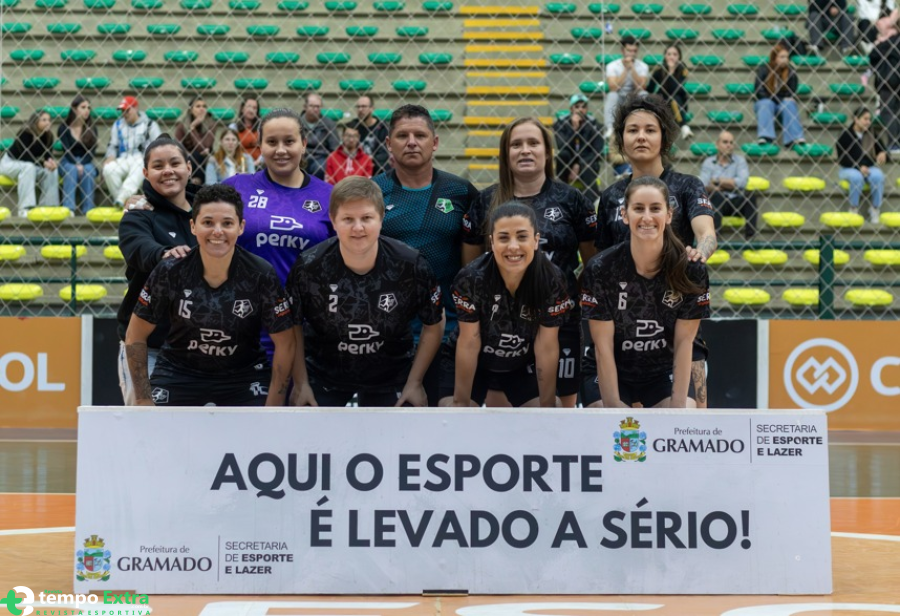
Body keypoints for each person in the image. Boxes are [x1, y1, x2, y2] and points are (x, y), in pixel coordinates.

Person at [591, 93, 716, 408]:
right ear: (621, 139)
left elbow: (707, 234)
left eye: (650, 129)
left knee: (691, 419)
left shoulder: (687, 186)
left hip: (674, 322)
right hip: (621, 329)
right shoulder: (610, 197)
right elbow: (599, 260)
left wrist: (700, 252)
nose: (641, 137)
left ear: (664, 137)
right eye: (632, 130)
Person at [464, 117, 596, 407]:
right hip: (500, 329)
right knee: (505, 419)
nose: (525, 150)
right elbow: (470, 269)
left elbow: (592, 266)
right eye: (516, 144)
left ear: (547, 152)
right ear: (505, 153)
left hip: (560, 322)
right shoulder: (486, 201)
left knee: (559, 410)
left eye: (533, 143)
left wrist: (563, 298)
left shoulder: (572, 199)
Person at [124, 184, 295, 406]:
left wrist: (274, 403)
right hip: (178, 372)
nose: (217, 231)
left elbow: (286, 343)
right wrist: (143, 398)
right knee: (154, 434)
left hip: (243, 375)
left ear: (240, 227)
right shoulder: (170, 270)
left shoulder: (261, 274)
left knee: (259, 438)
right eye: (207, 223)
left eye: (227, 223)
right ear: (193, 226)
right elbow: (135, 335)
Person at [287, 176, 445, 407]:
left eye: (367, 218)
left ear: (381, 218)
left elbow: (434, 323)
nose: (358, 227)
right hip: (325, 377)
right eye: (348, 219)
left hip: (392, 377)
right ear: (333, 220)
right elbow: (292, 324)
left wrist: (415, 381)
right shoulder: (310, 266)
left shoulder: (410, 265)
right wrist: (301, 383)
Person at [373, 104, 481, 404]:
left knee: (447, 421)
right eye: (402, 135)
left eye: (420, 135)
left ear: (434, 142)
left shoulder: (461, 192)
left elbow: (473, 269)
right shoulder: (372, 193)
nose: (411, 142)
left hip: (448, 332)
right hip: (387, 335)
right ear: (388, 144)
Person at [582, 176, 710, 408]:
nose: (647, 217)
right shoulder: (601, 268)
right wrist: (614, 417)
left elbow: (684, 343)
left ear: (669, 215)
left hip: (662, 370)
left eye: (656, 209)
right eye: (638, 208)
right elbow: (603, 348)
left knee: (684, 416)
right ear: (624, 214)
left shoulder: (690, 268)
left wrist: (677, 414)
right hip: (614, 370)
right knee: (612, 428)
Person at [223, 108, 335, 357]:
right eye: (271, 142)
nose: (281, 150)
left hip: (305, 333)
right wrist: (147, 201)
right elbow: (195, 212)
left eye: (289, 141)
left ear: (304, 144)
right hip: (242, 328)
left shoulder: (329, 196)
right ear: (260, 146)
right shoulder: (236, 187)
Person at [439, 202, 570, 408]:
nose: (513, 246)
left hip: (521, 364)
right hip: (475, 361)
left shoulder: (552, 279)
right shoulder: (471, 278)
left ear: (536, 241)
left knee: (551, 408)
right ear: (491, 242)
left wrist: (547, 408)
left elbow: (546, 346)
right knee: (455, 411)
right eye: (503, 237)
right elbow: (469, 342)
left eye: (522, 236)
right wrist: (461, 405)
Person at [116, 135, 199, 405]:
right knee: (145, 433)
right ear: (145, 173)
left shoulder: (209, 209)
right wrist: (165, 254)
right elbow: (139, 249)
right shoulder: (138, 213)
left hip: (202, 351)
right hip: (150, 347)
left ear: (189, 167)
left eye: (175, 163)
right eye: (158, 166)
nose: (168, 171)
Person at [103, 95, 162, 207]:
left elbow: (160, 144)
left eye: (127, 110)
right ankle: (124, 202)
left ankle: (122, 198)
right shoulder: (118, 125)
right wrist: (110, 156)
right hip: (124, 158)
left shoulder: (149, 125)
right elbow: (112, 145)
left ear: (136, 108)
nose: (124, 113)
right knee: (108, 169)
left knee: (141, 163)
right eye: (122, 111)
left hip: (142, 159)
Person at [700, 130, 758, 239]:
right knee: (716, 196)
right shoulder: (709, 162)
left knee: (751, 196)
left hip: (736, 201)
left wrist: (717, 181)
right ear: (717, 144)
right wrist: (730, 183)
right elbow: (703, 184)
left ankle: (751, 238)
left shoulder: (740, 161)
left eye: (731, 143)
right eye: (725, 142)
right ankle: (714, 238)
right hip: (716, 202)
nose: (729, 145)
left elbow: (742, 182)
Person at [0, 110, 59, 215]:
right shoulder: (25, 133)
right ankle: (25, 208)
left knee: (51, 171)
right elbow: (25, 156)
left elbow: (47, 156)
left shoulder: (48, 136)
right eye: (44, 120)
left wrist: (51, 163)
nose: (48, 123)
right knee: (29, 167)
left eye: (49, 120)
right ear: (35, 121)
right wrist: (43, 164)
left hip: (29, 165)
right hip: (10, 164)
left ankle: (49, 206)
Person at [836, 107, 887, 222]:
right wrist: (858, 166)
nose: (868, 122)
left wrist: (883, 153)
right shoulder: (845, 135)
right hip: (849, 168)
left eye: (869, 119)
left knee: (878, 175)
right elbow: (842, 159)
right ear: (856, 119)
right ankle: (853, 208)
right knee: (856, 177)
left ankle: (875, 208)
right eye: (865, 119)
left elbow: (882, 149)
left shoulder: (871, 133)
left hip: (868, 168)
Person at [553, 93, 604, 204]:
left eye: (583, 106)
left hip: (587, 162)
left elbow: (597, 151)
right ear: (571, 108)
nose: (580, 109)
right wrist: (574, 129)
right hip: (568, 161)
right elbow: (561, 145)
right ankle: (560, 196)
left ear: (587, 109)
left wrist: (579, 165)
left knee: (588, 164)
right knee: (562, 156)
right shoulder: (561, 123)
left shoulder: (595, 125)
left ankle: (590, 202)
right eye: (577, 106)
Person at [754, 44, 806, 148]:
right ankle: (766, 136)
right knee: (766, 103)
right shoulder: (763, 69)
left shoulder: (791, 72)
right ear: (774, 58)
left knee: (789, 104)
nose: (785, 60)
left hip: (782, 102)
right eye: (782, 57)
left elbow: (791, 92)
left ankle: (794, 138)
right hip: (766, 100)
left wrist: (781, 99)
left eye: (786, 57)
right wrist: (777, 98)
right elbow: (759, 91)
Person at [603, 35, 650, 138]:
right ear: (623, 51)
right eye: (629, 51)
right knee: (612, 95)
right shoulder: (612, 66)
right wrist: (625, 70)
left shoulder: (643, 66)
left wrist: (632, 69)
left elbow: (641, 86)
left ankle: (645, 126)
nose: (632, 54)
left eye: (634, 51)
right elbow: (613, 87)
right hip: (619, 97)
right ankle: (610, 127)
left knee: (644, 94)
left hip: (634, 97)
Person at [58, 95, 98, 214]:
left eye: (89, 108)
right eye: (83, 107)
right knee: (71, 170)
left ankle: (88, 209)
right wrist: (76, 164)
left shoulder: (92, 128)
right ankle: (69, 209)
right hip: (68, 160)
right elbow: (66, 151)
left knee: (89, 170)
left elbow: (92, 153)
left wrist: (81, 164)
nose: (87, 110)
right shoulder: (63, 127)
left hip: (86, 161)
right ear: (75, 109)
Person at [869, 12, 900, 154]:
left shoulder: (890, 41)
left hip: (889, 80)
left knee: (888, 112)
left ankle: (894, 144)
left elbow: (873, 55)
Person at [649, 44, 693, 140]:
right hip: (662, 100)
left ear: (679, 57)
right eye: (669, 54)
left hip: (678, 102)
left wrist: (670, 72)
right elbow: (650, 89)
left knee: (674, 98)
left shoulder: (683, 69)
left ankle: (684, 127)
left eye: (674, 54)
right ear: (665, 56)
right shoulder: (659, 70)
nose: (671, 57)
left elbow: (676, 88)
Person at [175, 95, 216, 185]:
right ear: (190, 109)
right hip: (186, 157)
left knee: (197, 155)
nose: (202, 109)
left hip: (205, 158)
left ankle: (194, 182)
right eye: (198, 106)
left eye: (204, 106)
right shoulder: (181, 124)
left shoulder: (211, 124)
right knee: (194, 155)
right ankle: (195, 182)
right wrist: (188, 153)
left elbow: (203, 146)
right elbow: (177, 146)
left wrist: (192, 128)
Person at [300, 93, 339, 180]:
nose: (315, 109)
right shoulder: (296, 122)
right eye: (311, 106)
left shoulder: (329, 124)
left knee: (320, 167)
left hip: (321, 158)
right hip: (301, 156)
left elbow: (335, 148)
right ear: (305, 106)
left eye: (317, 106)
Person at [350, 95, 390, 174]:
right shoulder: (352, 126)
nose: (360, 109)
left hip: (376, 167)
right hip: (356, 166)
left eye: (364, 106)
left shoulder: (382, 127)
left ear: (372, 108)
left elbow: (384, 155)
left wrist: (367, 160)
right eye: (358, 107)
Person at [229, 96, 262, 165]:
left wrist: (257, 163)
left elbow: (266, 149)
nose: (251, 110)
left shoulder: (262, 127)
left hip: (259, 165)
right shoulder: (234, 127)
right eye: (249, 106)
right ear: (242, 109)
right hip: (239, 164)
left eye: (254, 108)